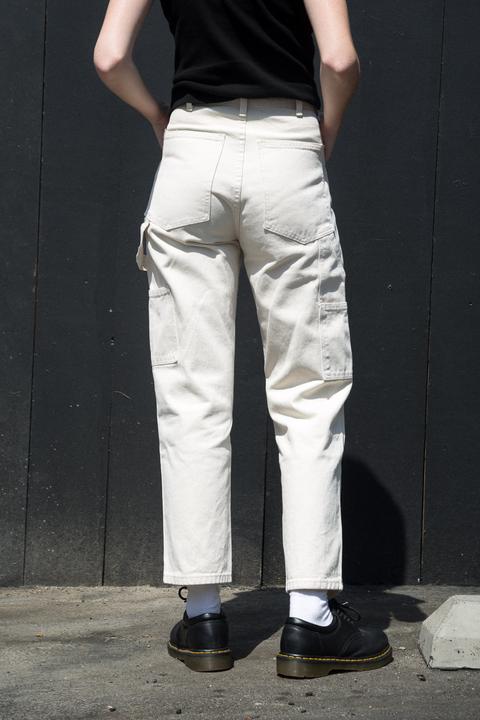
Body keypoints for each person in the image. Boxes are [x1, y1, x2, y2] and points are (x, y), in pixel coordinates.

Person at [94, 0, 393, 678]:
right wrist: (327, 125)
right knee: (308, 395)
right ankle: (311, 619)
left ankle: (203, 617)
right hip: (287, 151)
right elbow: (339, 58)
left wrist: (157, 116)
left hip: (190, 150)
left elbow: (109, 56)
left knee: (190, 393)